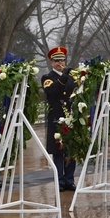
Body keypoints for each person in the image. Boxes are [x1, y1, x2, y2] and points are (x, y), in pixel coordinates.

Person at [42, 46, 76, 191]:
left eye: (62, 60)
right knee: (58, 150)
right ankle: (60, 180)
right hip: (56, 117)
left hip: (70, 116)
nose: (60, 63)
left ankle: (70, 179)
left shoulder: (70, 77)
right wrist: (63, 77)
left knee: (71, 150)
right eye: (56, 60)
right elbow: (52, 90)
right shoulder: (47, 77)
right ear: (51, 62)